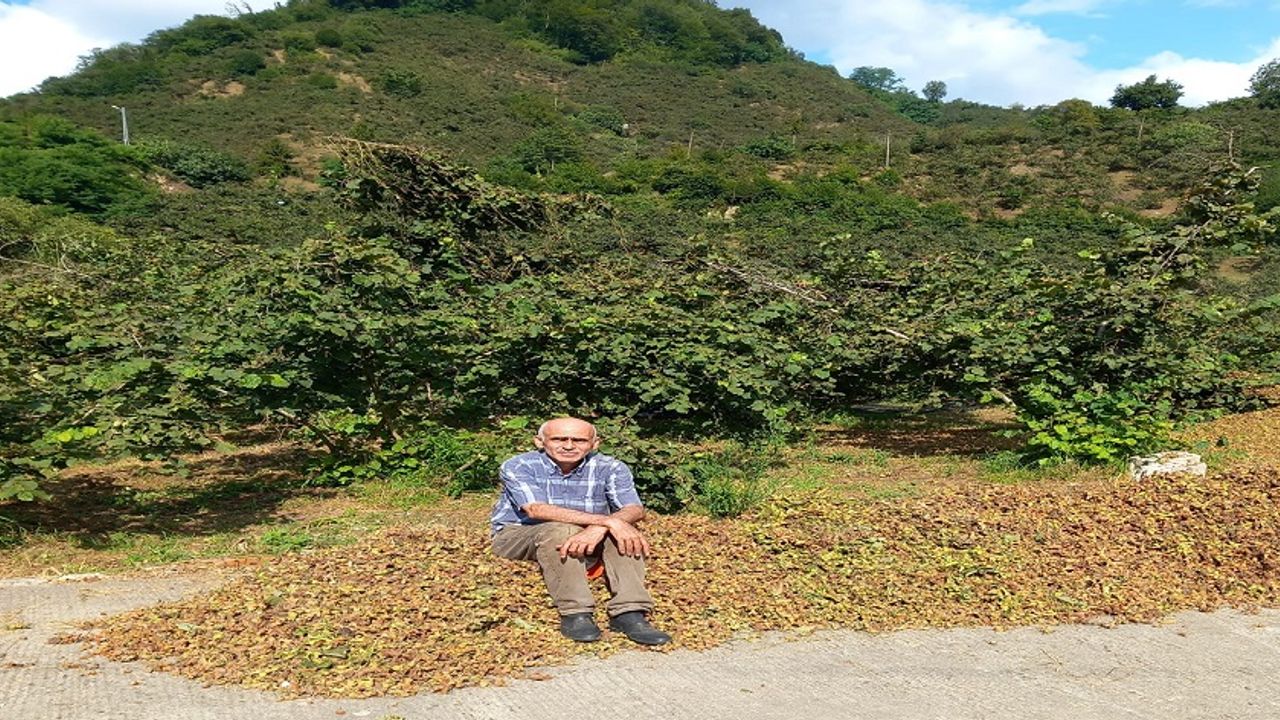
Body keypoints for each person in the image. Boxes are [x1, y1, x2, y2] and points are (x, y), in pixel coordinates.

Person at [489, 416, 671, 645]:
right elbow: (535, 509)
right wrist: (605, 522)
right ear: (539, 441)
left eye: (579, 440)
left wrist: (607, 525)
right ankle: (576, 613)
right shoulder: (519, 465)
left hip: (586, 531)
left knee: (623, 532)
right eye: (559, 439)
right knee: (563, 530)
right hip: (517, 534)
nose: (568, 445)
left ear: (594, 444)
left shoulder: (611, 467)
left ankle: (630, 613)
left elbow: (633, 508)